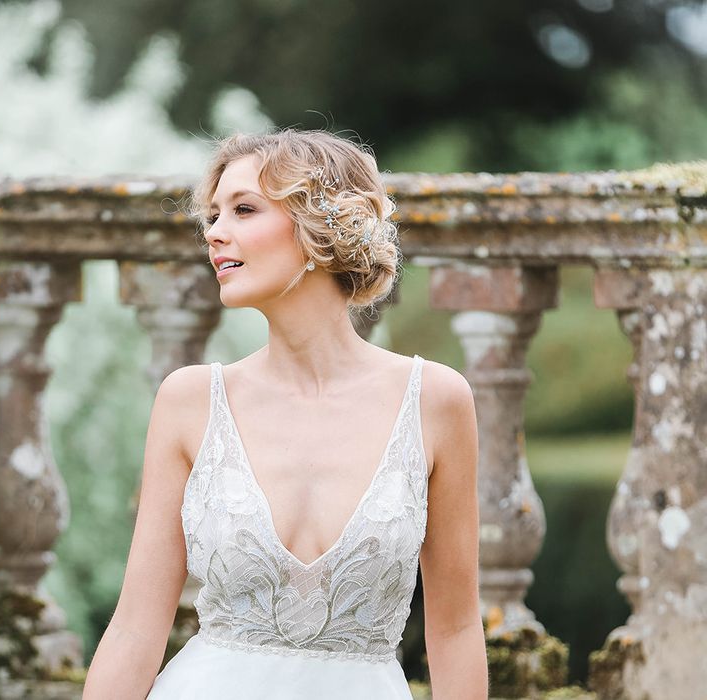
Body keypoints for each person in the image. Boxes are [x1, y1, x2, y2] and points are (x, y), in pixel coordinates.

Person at [82, 128, 487, 699]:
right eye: (214, 215)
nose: (215, 233)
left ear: (323, 229)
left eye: (244, 210)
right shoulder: (189, 401)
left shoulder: (436, 401)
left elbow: (457, 629)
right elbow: (134, 628)